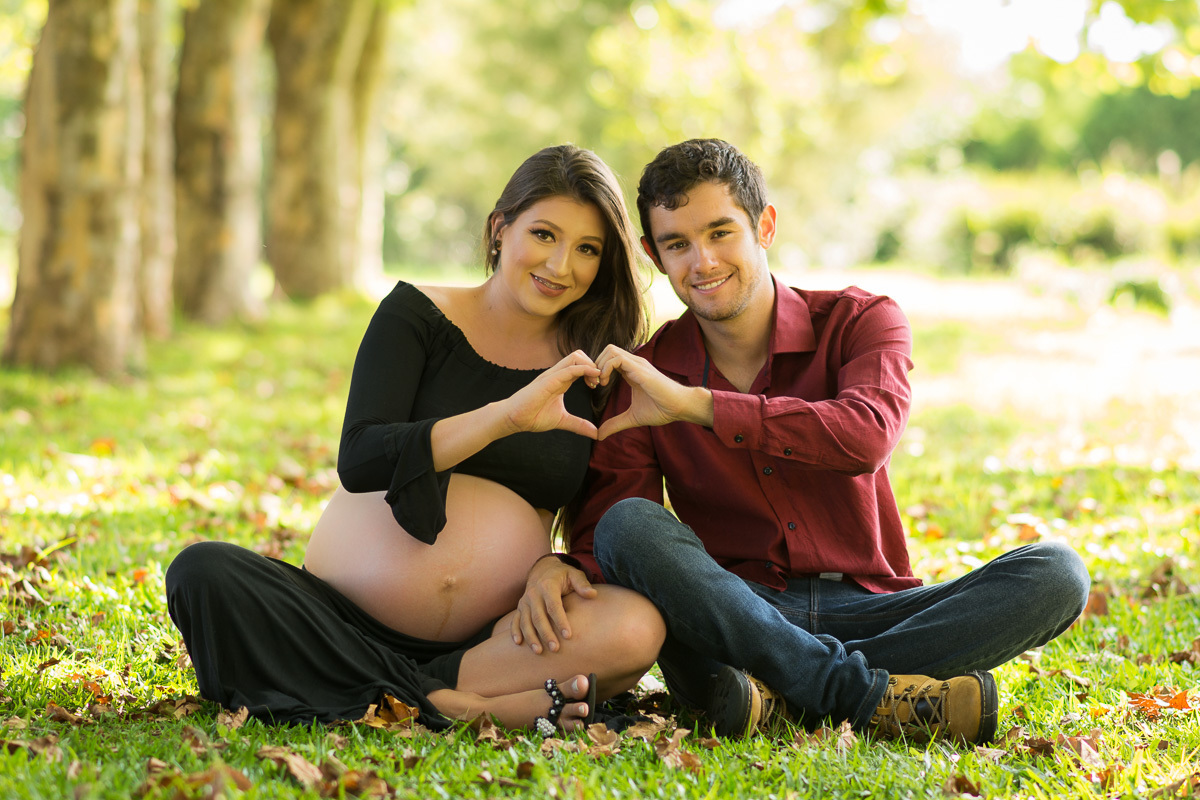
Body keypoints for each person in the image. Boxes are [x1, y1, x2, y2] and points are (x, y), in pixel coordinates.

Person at [515, 138, 1091, 744]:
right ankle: (866, 695)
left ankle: (783, 693)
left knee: (1058, 574)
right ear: (654, 256)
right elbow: (618, 529)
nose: (702, 262)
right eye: (677, 244)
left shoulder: (861, 321)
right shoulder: (647, 372)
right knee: (629, 526)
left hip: (876, 607)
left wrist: (702, 406)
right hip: (736, 609)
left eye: (720, 232)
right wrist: (557, 565)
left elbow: (865, 435)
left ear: (764, 225)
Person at [166, 144, 666, 734]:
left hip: (497, 638)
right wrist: (505, 416)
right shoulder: (414, 315)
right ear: (499, 228)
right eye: (544, 234)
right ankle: (452, 704)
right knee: (202, 572)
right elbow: (361, 457)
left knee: (636, 626)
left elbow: (607, 507)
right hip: (337, 618)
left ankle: (389, 692)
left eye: (588, 249)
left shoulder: (594, 363)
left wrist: (557, 565)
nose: (561, 265)